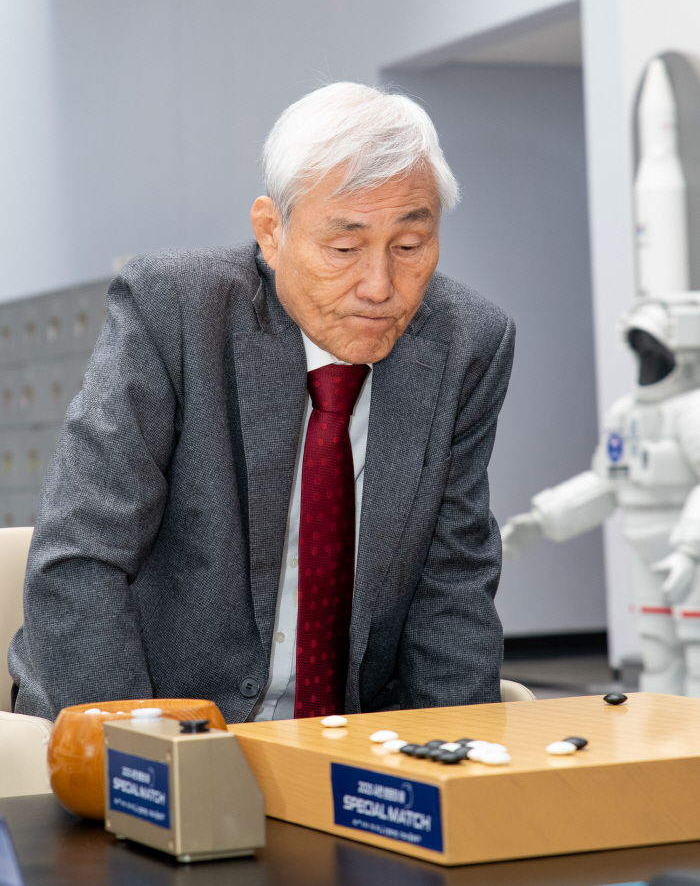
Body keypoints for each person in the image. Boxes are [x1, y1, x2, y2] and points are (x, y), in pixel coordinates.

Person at [9, 82, 515, 722]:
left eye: (410, 247)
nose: (381, 285)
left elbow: (454, 584)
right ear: (272, 233)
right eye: (344, 248)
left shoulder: (467, 342)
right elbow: (79, 560)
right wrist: (148, 763)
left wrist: (454, 760)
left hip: (345, 733)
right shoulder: (175, 310)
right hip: (150, 715)